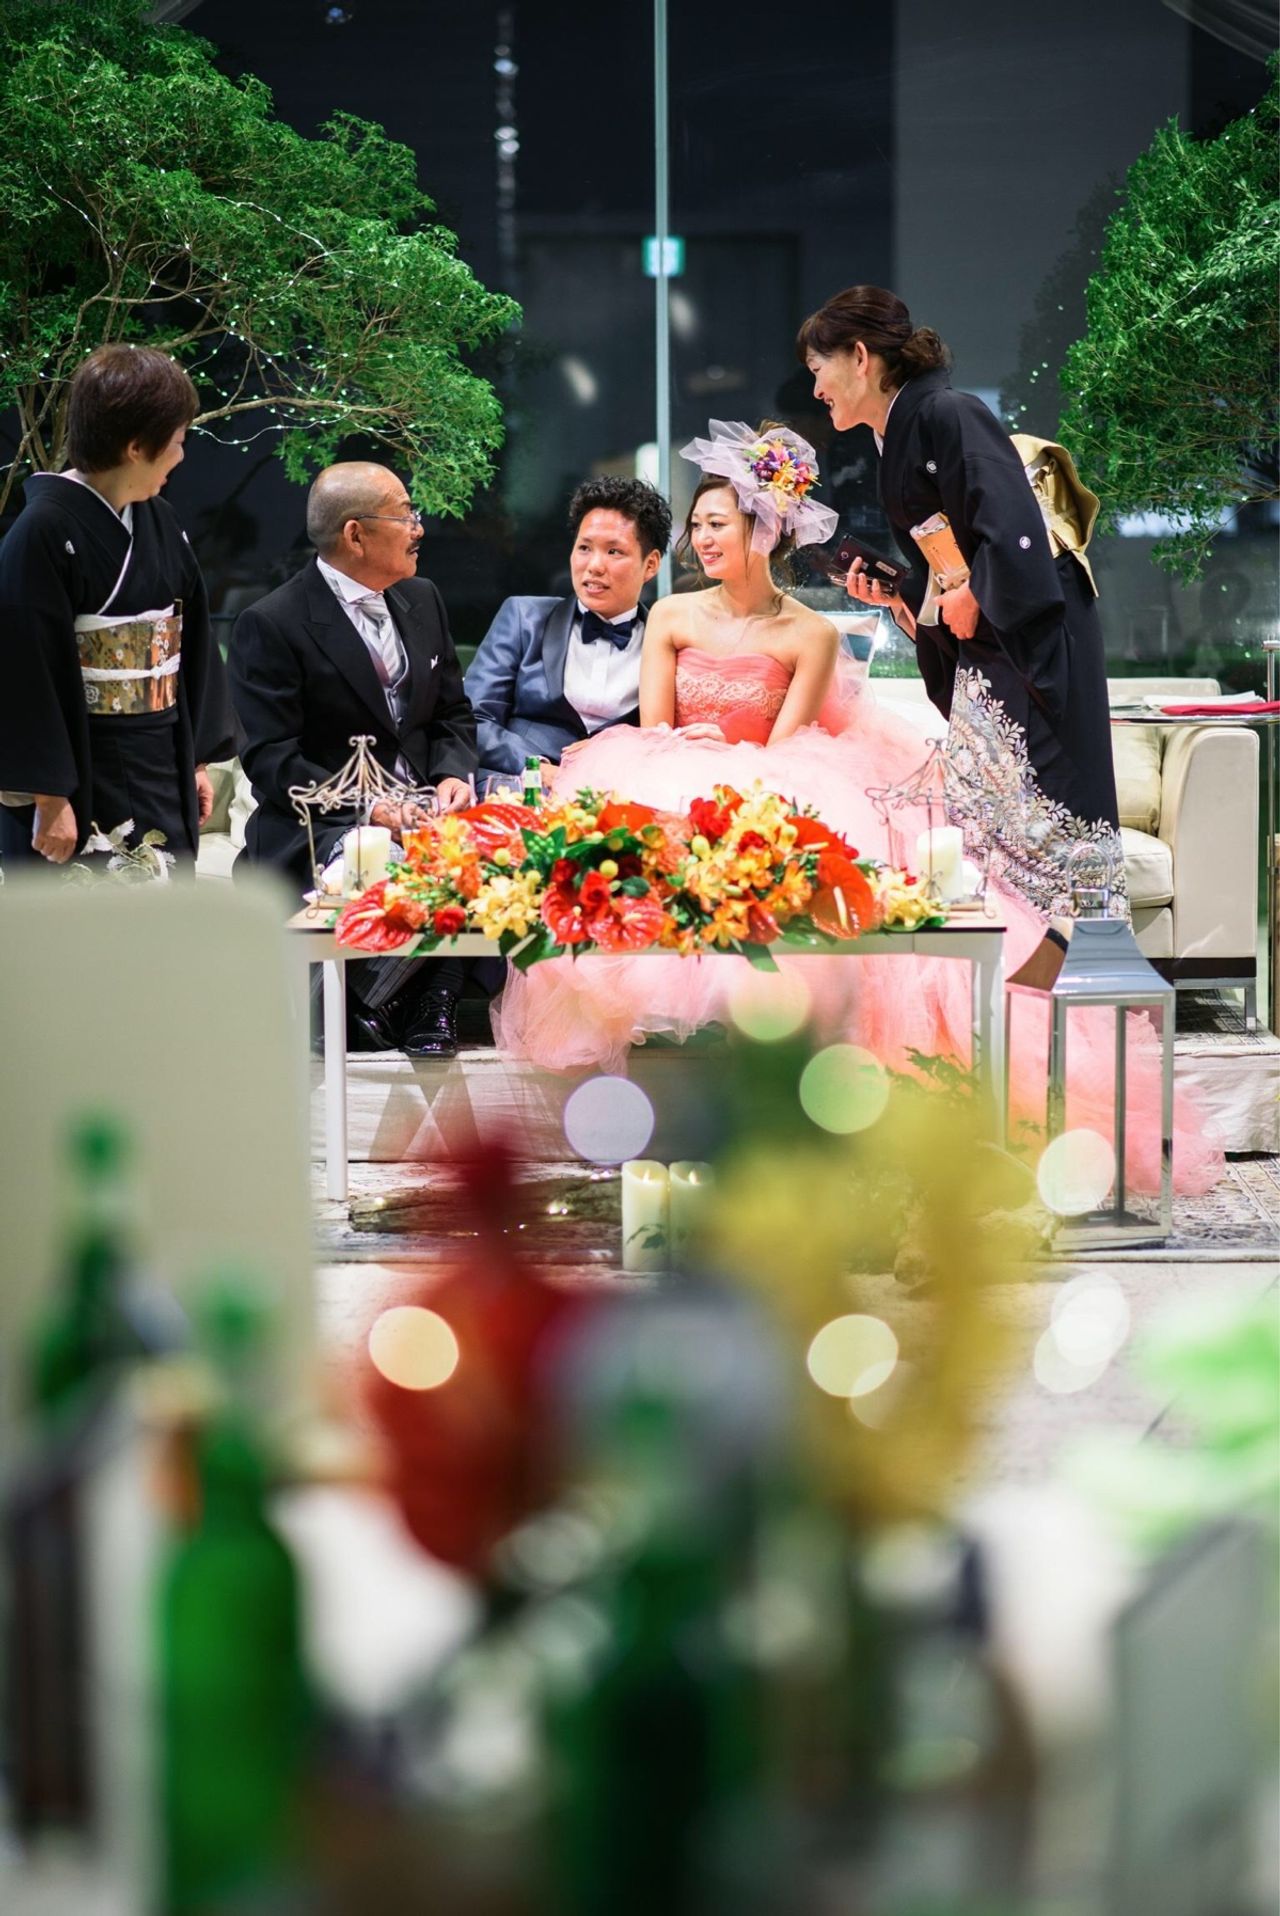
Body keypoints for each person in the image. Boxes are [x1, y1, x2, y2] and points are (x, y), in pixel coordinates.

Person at [492, 421, 1217, 1196]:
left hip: (772, 787)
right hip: (669, 775)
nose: (701, 540)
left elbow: (787, 749)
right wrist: (682, 747)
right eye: (697, 525)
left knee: (795, 869)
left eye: (717, 524)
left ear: (763, 531)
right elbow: (653, 731)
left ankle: (780, 1103)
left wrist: (725, 760)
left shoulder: (808, 633)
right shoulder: (671, 616)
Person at [796, 285, 1119, 837]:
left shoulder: (949, 411)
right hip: (990, 627)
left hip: (1026, 624)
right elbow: (945, 555)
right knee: (987, 812)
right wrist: (904, 598)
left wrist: (974, 594)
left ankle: (1070, 898)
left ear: (859, 356)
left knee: (1045, 803)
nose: (816, 389)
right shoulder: (893, 433)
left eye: (817, 368)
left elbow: (1013, 522)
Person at [229, 461, 477, 1058]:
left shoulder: (423, 598)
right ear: (355, 535)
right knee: (408, 868)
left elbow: (453, 713)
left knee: (498, 856)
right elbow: (272, 761)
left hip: (427, 813)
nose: (419, 527)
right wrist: (373, 808)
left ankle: (405, 1004)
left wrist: (450, 773)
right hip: (323, 825)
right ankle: (397, 1005)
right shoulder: (272, 623)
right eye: (406, 514)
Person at [0, 345, 234, 869]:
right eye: (177, 441)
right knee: (88, 913)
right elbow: (22, 671)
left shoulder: (161, 520)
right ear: (135, 447)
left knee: (165, 902)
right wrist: (49, 796)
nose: (182, 457)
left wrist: (196, 759)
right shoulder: (41, 532)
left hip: (161, 756)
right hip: (83, 770)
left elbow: (192, 639)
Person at [464, 476, 672, 789]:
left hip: (617, 795)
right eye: (585, 548)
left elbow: (664, 740)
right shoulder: (523, 617)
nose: (594, 566)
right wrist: (538, 768)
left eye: (614, 552)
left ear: (651, 564)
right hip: (519, 790)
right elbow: (474, 719)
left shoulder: (664, 641)